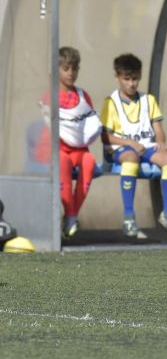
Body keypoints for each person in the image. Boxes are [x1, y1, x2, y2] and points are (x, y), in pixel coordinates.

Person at [99, 53, 167, 239]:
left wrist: (161, 141)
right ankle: (129, 216)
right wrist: (130, 142)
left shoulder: (148, 100)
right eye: (126, 79)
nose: (131, 84)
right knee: (131, 157)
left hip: (145, 147)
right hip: (120, 149)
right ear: (117, 77)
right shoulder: (110, 102)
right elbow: (105, 137)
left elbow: (158, 129)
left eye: (135, 79)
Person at [56, 46, 100, 239]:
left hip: (80, 151)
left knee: (89, 161)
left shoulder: (83, 96)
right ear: (57, 69)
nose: (71, 73)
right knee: (62, 162)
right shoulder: (50, 95)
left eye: (74, 69)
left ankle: (71, 216)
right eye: (66, 68)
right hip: (59, 150)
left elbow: (90, 122)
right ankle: (71, 216)